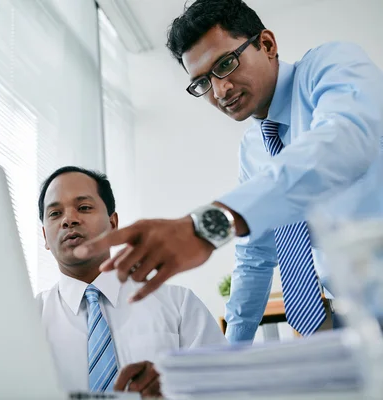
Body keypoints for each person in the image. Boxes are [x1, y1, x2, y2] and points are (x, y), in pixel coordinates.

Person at [73, 0, 383, 343]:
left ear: (267, 44)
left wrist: (207, 225)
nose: (220, 90)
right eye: (202, 82)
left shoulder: (332, 65)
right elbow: (254, 255)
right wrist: (231, 352)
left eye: (226, 63)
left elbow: (343, 142)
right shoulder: (253, 149)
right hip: (359, 320)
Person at [36, 166, 226, 396]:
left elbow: (228, 388)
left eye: (84, 207)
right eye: (55, 214)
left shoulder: (179, 304)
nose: (69, 220)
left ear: (113, 223)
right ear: (45, 236)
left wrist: (177, 390)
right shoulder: (27, 321)